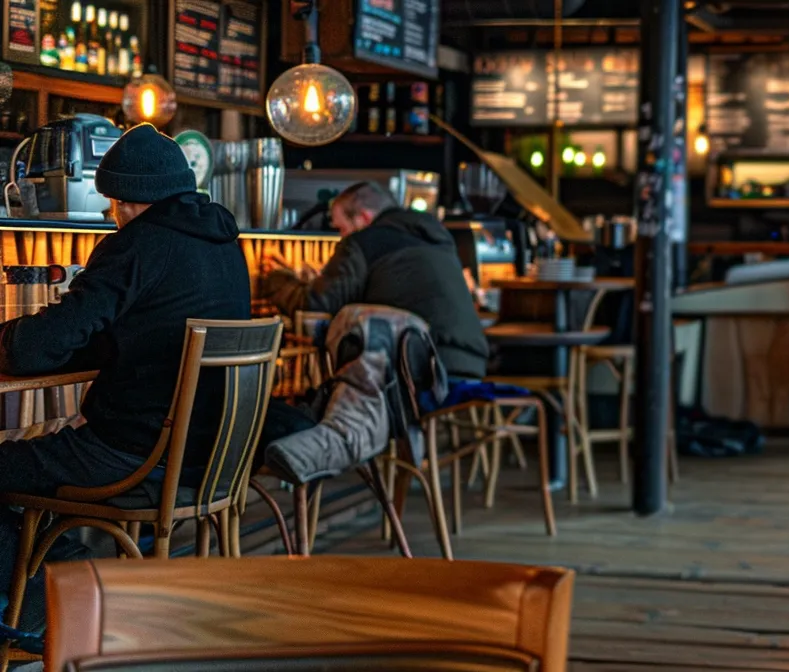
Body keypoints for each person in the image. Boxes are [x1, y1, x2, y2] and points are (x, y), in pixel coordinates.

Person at [0, 124, 251, 630]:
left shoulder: (138, 244)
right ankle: (65, 577)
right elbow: (134, 326)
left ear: (129, 200)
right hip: (214, 458)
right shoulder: (223, 242)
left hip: (135, 457)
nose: (112, 215)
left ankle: (42, 604)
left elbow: (36, 348)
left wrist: (12, 339)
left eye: (113, 202)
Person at [261, 182, 489, 381]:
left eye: (341, 228)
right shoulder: (434, 238)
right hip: (470, 362)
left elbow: (316, 304)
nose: (341, 236)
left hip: (421, 367)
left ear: (364, 217)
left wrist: (275, 279)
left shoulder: (363, 242)